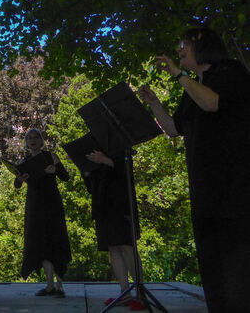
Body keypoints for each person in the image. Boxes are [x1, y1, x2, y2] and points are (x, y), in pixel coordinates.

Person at [138, 27, 250, 312]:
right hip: (204, 193)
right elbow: (175, 129)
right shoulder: (192, 86)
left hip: (234, 191)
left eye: (182, 44)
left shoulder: (230, 71)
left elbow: (212, 103)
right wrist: (153, 103)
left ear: (201, 44)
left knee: (237, 272)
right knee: (213, 272)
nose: (178, 50)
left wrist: (179, 75)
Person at [84, 150, 144, 310]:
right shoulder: (93, 147)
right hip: (102, 206)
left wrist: (105, 160)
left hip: (121, 204)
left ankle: (141, 294)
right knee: (113, 248)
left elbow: (126, 170)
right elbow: (91, 187)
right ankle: (125, 293)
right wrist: (87, 173)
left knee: (127, 247)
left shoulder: (119, 142)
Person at [14, 129, 70, 297]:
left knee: (56, 241)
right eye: (29, 138)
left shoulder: (51, 156)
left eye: (36, 137)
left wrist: (55, 170)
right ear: (26, 142)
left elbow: (65, 177)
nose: (32, 140)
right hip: (35, 206)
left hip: (52, 204)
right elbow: (17, 185)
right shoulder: (25, 161)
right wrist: (19, 179)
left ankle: (60, 286)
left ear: (41, 140)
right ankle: (49, 285)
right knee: (41, 244)